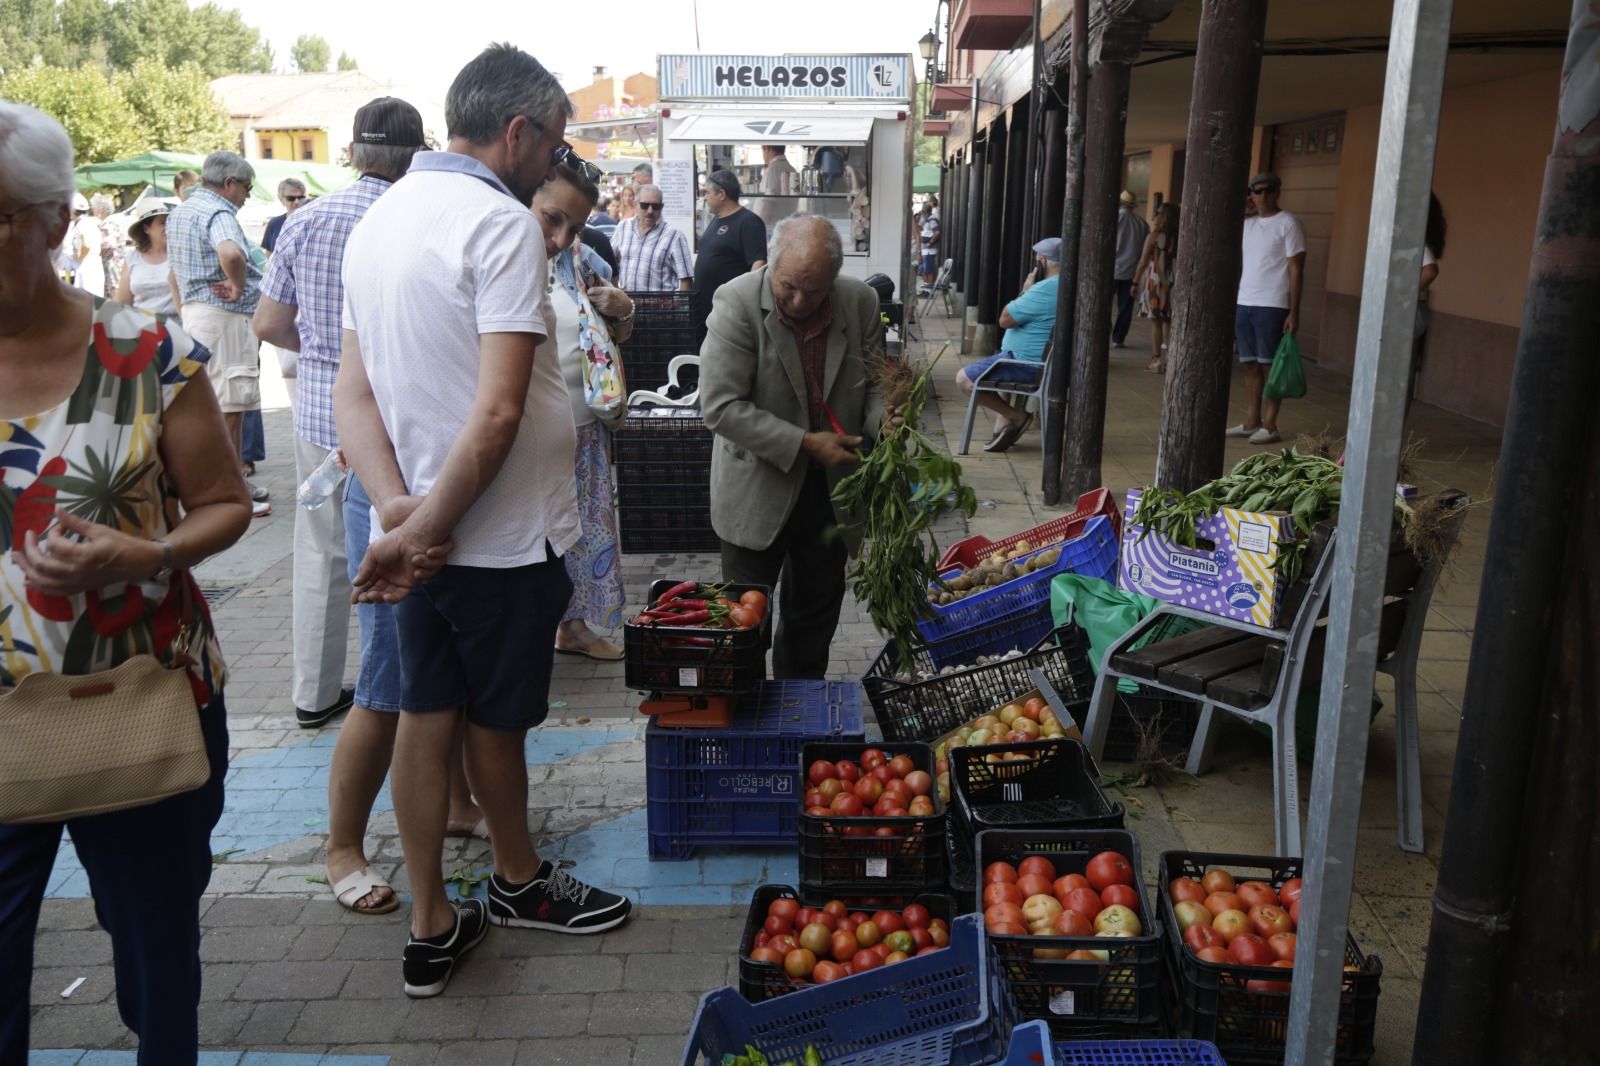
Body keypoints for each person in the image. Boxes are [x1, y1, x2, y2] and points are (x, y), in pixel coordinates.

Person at [335, 42, 632, 999]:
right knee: (495, 726)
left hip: (424, 534)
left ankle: (431, 921)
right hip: (493, 542)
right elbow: (499, 412)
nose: (554, 162)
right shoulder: (497, 226)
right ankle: (515, 882)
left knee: (426, 717)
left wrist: (396, 512)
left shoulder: (378, 223)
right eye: (552, 144)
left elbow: (355, 398)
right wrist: (422, 531)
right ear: (518, 131)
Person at [0, 100, 252, 1064]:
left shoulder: (149, 356)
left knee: (156, 959)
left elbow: (226, 503)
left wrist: (145, 556)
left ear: (54, 221)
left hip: (143, 704)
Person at [253, 96, 488, 914]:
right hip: (386, 460)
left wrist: (322, 354)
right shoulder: (414, 221)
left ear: (353, 148)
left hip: (336, 434)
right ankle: (343, 843)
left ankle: (449, 800)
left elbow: (269, 321)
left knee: (408, 647)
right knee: (390, 674)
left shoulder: (311, 220)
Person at [700, 214, 889, 678]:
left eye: (815, 290)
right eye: (788, 287)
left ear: (835, 279)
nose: (800, 300)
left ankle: (797, 719)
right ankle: (745, 723)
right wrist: (805, 443)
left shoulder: (859, 301)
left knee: (812, 621)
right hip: (756, 487)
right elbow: (720, 407)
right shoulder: (736, 301)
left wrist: (888, 419)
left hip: (831, 489)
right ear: (771, 265)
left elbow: (876, 387)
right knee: (744, 625)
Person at [532, 159, 638, 660]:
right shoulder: (499, 254)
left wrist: (625, 309)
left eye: (573, 226)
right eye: (553, 219)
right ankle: (533, 631)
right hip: (523, 434)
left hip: (583, 424)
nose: (561, 235)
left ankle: (573, 628)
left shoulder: (580, 259)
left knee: (586, 530)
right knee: (535, 535)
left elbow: (617, 331)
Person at [167, 150, 271, 516]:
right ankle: (230, 489)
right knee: (231, 406)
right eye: (246, 187)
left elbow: (172, 274)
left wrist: (187, 311)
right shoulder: (217, 212)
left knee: (214, 405)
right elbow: (231, 253)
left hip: (199, 316)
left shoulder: (181, 212)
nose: (246, 195)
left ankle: (220, 486)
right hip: (224, 318)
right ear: (229, 184)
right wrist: (238, 285)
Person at [955, 236, 1062, 454]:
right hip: (1038, 362)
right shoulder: (1066, 285)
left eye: (1036, 261)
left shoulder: (1045, 289)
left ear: (1042, 261)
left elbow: (1005, 319)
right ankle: (1003, 430)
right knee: (995, 373)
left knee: (964, 379)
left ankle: (1017, 417)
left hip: (1025, 363)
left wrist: (1025, 290)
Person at [1228, 171, 1305, 445]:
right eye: (1256, 191)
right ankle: (1252, 421)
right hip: (1244, 301)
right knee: (1249, 365)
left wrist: (1294, 311)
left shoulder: (1288, 223)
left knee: (1271, 366)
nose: (1263, 196)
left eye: (1268, 190)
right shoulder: (1247, 225)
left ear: (1278, 192)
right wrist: (1246, 205)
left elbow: (1297, 269)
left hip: (1273, 303)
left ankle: (1270, 424)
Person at [692, 169, 767, 347]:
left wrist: (745, 302)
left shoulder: (748, 221)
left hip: (729, 313)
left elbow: (758, 263)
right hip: (704, 310)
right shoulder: (715, 221)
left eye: (707, 193)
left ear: (722, 194)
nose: (705, 198)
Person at [1404, 193, 1447, 416]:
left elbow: (1431, 270)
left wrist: (1403, 298)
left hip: (1409, 312)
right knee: (1401, 375)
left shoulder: (1416, 239)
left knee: (1400, 377)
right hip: (1413, 311)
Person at [613, 182, 692, 292]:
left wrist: (681, 307)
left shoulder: (674, 237)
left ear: (662, 207)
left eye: (655, 206)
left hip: (659, 307)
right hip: (626, 306)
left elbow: (686, 279)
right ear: (636, 204)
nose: (650, 211)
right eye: (644, 205)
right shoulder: (623, 228)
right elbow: (612, 266)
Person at [1132, 200, 1180, 374]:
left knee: (1156, 322)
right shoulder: (1181, 236)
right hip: (1174, 281)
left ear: (1166, 216)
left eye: (1159, 212)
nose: (1155, 216)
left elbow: (1143, 261)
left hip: (1156, 281)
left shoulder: (1154, 236)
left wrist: (1135, 282)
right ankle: (1171, 360)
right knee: (1169, 321)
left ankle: (1156, 360)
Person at [113, 201, 180, 316]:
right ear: (146, 229)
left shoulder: (179, 254)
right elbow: (123, 301)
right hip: (143, 327)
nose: (168, 227)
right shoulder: (132, 259)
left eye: (170, 222)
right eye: (162, 223)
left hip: (177, 326)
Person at [1111, 189, 1148, 348]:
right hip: (1131, 272)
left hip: (1111, 270)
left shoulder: (1113, 219)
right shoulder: (1142, 224)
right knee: (1125, 307)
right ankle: (1118, 338)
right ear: (1133, 206)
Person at [67, 194, 106, 296]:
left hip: (87, 263)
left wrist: (79, 258)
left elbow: (86, 245)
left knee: (87, 297)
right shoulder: (90, 221)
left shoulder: (82, 223)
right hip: (93, 262)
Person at [260, 177, 308, 255]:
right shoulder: (274, 223)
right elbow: (269, 254)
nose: (296, 202)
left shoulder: (313, 223)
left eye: (301, 198)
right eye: (291, 198)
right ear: (281, 200)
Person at [756, 144, 798, 229]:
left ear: (767, 148)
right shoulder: (792, 169)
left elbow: (767, 205)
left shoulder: (772, 170)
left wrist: (757, 228)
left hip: (771, 227)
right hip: (786, 225)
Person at [918, 201, 941, 285]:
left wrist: (930, 243)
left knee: (928, 270)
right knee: (922, 269)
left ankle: (929, 291)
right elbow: (919, 227)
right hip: (925, 251)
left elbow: (937, 232)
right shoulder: (926, 220)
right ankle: (926, 288)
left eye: (923, 213)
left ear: (925, 212)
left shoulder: (932, 220)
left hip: (929, 251)